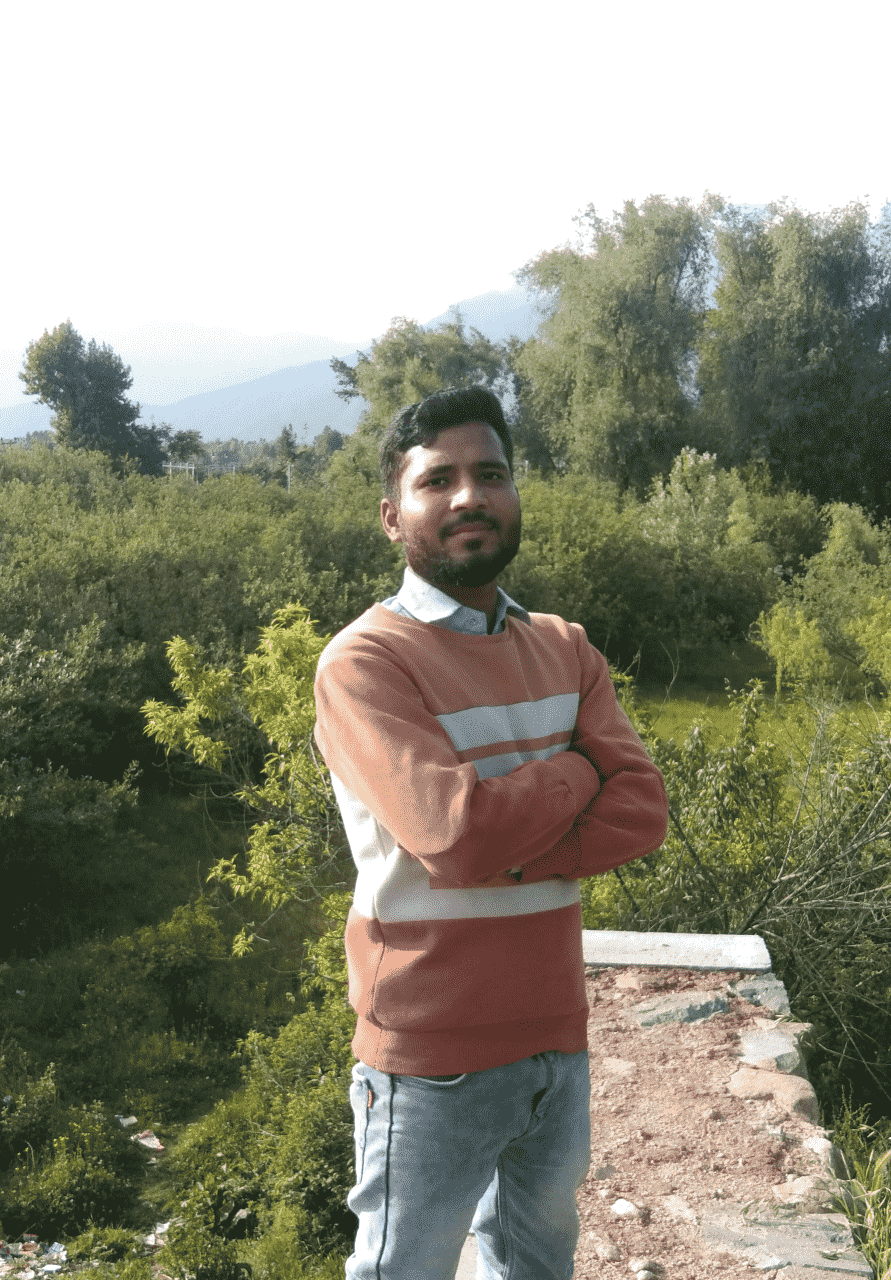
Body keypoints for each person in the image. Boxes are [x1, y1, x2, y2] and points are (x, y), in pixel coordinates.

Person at [313, 386, 668, 1280]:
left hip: (556, 1038)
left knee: (537, 1265)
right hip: (429, 1057)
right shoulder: (365, 663)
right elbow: (458, 836)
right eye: (438, 480)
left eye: (492, 473)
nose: (470, 495)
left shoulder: (565, 646)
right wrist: (577, 772)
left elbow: (642, 810)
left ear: (515, 494)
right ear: (392, 516)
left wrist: (504, 845)